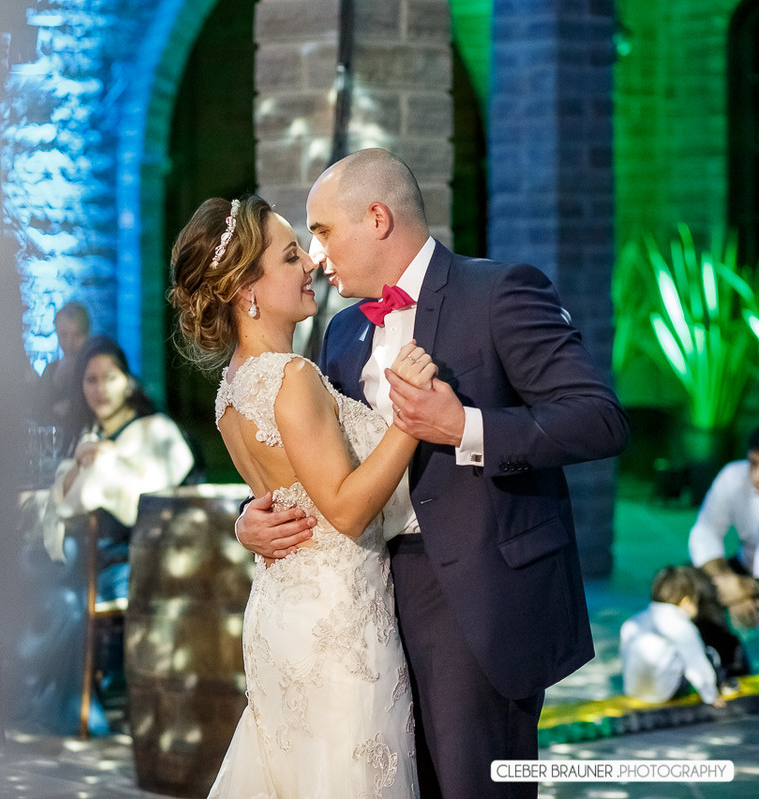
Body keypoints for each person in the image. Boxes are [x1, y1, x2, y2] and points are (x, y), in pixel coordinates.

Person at [235, 149, 631, 798]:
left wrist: (466, 428)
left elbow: (599, 418)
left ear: (378, 218)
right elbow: (320, 463)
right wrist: (250, 519)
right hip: (362, 603)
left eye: (324, 230)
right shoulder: (339, 335)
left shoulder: (501, 292)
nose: (314, 254)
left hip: (476, 594)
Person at [170, 194, 436, 797]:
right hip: (337, 627)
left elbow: (289, 493)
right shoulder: (293, 378)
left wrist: (247, 524)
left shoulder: (230, 391)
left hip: (281, 615)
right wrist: (410, 421)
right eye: (291, 256)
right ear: (246, 290)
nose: (310, 264)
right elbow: (344, 508)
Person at [6, 335, 196, 737]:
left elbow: (148, 497)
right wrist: (80, 468)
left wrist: (105, 463)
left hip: (137, 557)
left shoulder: (154, 432)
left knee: (59, 581)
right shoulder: (89, 435)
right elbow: (67, 493)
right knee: (48, 580)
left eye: (109, 378)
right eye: (90, 380)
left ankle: (35, 692)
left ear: (127, 381)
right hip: (90, 557)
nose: (99, 388)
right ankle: (43, 693)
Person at [620, 566, 728, 708]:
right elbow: (697, 667)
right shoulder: (683, 627)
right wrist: (710, 696)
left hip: (633, 691)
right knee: (709, 655)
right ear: (686, 601)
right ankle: (724, 687)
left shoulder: (632, 622)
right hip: (664, 695)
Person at [689, 426, 759, 630]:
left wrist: (747, 588)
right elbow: (705, 532)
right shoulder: (734, 477)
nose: (756, 476)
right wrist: (727, 580)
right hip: (743, 567)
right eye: (753, 463)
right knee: (689, 585)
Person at [35, 301, 91, 441]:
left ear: (87, 334)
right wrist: (55, 382)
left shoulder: (94, 370)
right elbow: (38, 415)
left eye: (77, 335)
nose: (70, 343)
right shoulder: (51, 370)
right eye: (64, 335)